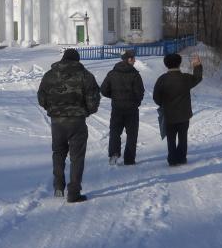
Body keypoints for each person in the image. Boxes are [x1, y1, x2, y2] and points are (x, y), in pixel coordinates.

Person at [37, 48, 100, 203]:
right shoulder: (86, 76)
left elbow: (41, 98)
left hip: (57, 122)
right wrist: (85, 111)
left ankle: (58, 187)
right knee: (77, 158)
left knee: (58, 154)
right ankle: (73, 192)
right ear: (77, 60)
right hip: (77, 122)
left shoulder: (49, 75)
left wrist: (54, 110)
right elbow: (93, 100)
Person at [152, 52, 203, 166]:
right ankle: (181, 158)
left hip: (169, 115)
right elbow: (197, 78)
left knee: (171, 138)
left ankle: (172, 159)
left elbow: (156, 97)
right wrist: (197, 66)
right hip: (184, 114)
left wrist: (163, 104)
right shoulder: (185, 78)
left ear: (166, 65)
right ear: (179, 64)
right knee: (183, 137)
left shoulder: (162, 79)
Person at [100, 49, 145, 165]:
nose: (135, 61)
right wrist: (136, 102)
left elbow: (104, 90)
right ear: (129, 59)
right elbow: (140, 92)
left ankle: (114, 153)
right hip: (132, 110)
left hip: (117, 108)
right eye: (133, 58)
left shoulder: (112, 73)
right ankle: (129, 159)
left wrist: (114, 96)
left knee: (115, 132)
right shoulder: (135, 75)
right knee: (132, 134)